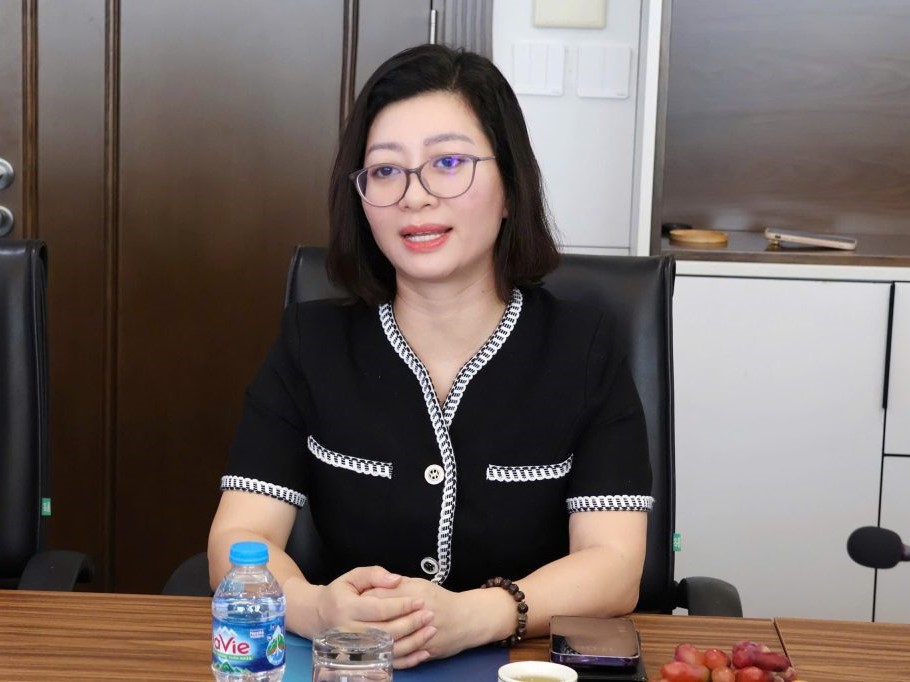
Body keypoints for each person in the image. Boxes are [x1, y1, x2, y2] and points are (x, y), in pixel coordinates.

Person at [208, 43, 652, 669]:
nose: (413, 197)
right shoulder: (312, 343)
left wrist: (480, 614)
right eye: (385, 171)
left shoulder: (584, 347)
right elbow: (239, 538)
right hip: (352, 667)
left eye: (448, 162)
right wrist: (315, 608)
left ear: (510, 187)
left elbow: (615, 566)